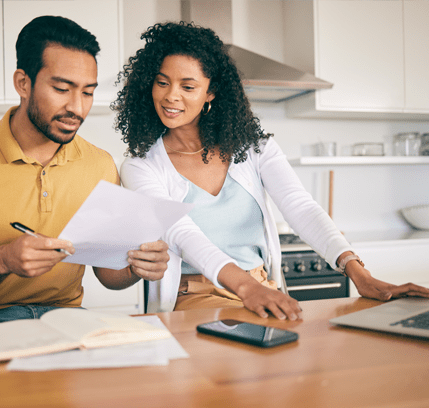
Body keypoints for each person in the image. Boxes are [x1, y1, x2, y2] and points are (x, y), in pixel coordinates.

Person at [113, 21, 429, 320]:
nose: (171, 96)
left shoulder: (252, 147)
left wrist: (361, 275)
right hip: (195, 295)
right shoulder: (141, 165)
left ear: (210, 93)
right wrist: (245, 287)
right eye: (162, 82)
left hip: (260, 286)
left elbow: (300, 207)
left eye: (188, 86)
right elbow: (181, 234)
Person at [0, 16, 169, 322]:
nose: (77, 108)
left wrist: (137, 267)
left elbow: (108, 274)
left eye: (88, 92)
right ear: (23, 83)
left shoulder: (99, 165)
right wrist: (4, 260)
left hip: (66, 318)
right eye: (62, 89)